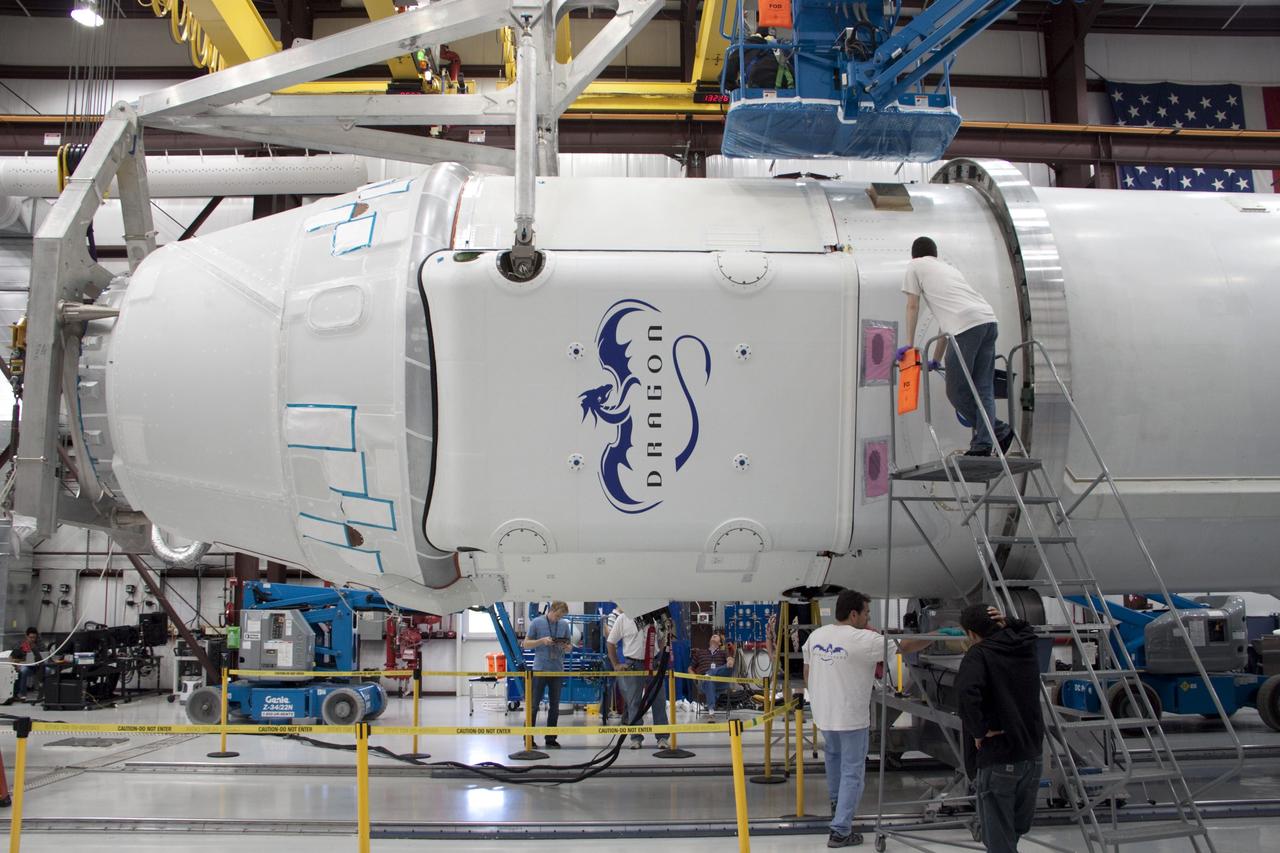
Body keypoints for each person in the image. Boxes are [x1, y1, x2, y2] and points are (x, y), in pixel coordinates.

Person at [804, 590, 932, 848]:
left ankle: (837, 807)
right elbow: (904, 646)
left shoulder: (816, 635)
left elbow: (808, 672)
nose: (868, 617)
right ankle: (840, 830)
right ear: (854, 614)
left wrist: (822, 696)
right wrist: (935, 635)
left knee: (835, 763)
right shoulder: (865, 639)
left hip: (824, 716)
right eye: (866, 613)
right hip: (850, 718)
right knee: (853, 772)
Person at [901, 236, 1014, 457]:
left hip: (966, 328)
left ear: (914, 255)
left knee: (956, 391)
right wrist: (936, 358)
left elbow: (912, 306)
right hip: (988, 321)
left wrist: (909, 346)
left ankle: (996, 431)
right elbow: (946, 324)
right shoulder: (948, 270)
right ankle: (984, 442)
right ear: (935, 254)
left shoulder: (915, 266)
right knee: (983, 389)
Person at [956, 604, 1044, 853]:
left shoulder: (979, 654)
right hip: (1032, 757)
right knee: (1012, 833)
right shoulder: (1025, 643)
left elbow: (965, 694)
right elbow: (1028, 628)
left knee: (999, 841)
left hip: (1000, 757)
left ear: (972, 634)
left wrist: (980, 731)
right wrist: (1010, 621)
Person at [607, 608, 670, 750]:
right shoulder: (623, 618)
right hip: (633, 665)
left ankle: (662, 738)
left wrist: (659, 656)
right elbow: (610, 642)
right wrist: (616, 664)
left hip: (653, 664)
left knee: (658, 700)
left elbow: (661, 638)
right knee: (634, 702)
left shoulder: (655, 617)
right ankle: (635, 738)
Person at [521, 601, 572, 749]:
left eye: (561, 616)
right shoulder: (537, 623)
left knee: (555, 706)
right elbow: (526, 644)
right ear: (552, 610)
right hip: (540, 670)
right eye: (557, 615)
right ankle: (528, 738)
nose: (558, 618)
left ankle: (551, 738)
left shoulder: (564, 625)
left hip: (557, 670)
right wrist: (541, 641)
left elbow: (569, 647)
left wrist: (566, 646)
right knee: (533, 706)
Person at [690, 631, 734, 716]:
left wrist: (730, 661)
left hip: (720, 682)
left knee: (729, 667)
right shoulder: (700, 653)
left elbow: (730, 660)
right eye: (712, 636)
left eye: (716, 637)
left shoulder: (723, 652)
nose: (714, 636)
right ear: (709, 641)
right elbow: (690, 668)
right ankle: (711, 709)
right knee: (709, 680)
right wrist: (695, 678)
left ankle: (709, 673)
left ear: (720, 643)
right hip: (704, 682)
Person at [6, 627, 42, 704]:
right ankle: (22, 695)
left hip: (39, 666)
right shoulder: (20, 645)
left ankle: (44, 694)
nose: (33, 639)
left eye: (34, 637)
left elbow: (45, 654)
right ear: (27, 636)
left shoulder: (39, 645)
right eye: (31, 637)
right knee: (23, 671)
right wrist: (17, 664)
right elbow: (12, 657)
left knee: (49, 671)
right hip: (26, 666)